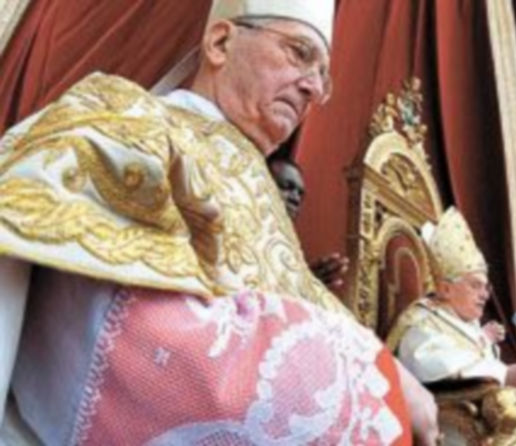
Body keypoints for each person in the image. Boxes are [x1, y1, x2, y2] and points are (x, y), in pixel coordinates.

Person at [0, 0, 440, 444]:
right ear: (221, 42)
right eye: (300, 53)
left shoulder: (264, 195)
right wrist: (376, 381)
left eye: (323, 77)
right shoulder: (129, 121)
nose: (313, 88)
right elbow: (134, 347)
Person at [387, 207, 516, 445]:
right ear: (445, 288)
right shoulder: (421, 323)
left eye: (486, 287)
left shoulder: (471, 327)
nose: (485, 295)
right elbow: (434, 367)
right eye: (475, 285)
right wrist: (506, 374)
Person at [267, 153, 349, 289]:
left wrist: (307, 283)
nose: (295, 198)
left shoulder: (289, 251)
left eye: (300, 194)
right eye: (286, 186)